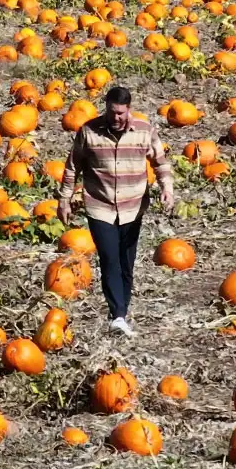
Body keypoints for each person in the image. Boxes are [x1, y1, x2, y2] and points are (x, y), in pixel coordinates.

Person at [57, 85, 175, 337]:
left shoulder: (144, 131)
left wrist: (167, 188)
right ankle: (117, 315)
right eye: (112, 112)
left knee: (126, 261)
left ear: (128, 110)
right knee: (109, 259)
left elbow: (161, 163)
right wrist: (64, 200)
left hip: (133, 207)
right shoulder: (88, 132)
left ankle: (123, 310)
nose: (116, 118)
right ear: (106, 109)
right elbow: (71, 167)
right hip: (100, 206)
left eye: (120, 113)